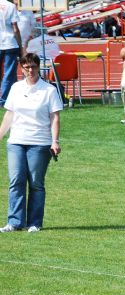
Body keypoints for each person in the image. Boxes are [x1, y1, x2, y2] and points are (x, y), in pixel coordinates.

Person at [0, 53, 60, 233]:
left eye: (33, 66)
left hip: (40, 142)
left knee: (35, 183)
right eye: (27, 67)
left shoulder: (49, 90)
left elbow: (55, 117)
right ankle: (14, 222)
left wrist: (55, 141)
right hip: (16, 141)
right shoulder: (16, 88)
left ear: (38, 67)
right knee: (16, 180)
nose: (30, 70)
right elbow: (9, 114)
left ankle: (34, 222)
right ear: (21, 68)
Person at [0, 0, 22, 108]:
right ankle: (3, 100)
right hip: (10, 42)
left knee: (8, 74)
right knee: (9, 73)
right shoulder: (11, 6)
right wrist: (20, 45)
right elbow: (15, 28)